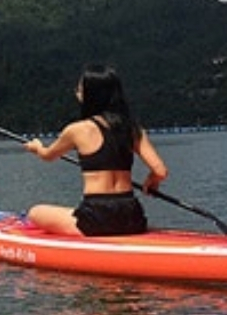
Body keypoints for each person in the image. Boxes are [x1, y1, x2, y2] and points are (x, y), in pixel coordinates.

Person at [23, 64, 169, 236]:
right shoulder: (133, 129)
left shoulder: (78, 130)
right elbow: (160, 171)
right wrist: (152, 181)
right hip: (132, 216)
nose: (76, 92)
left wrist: (36, 147)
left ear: (90, 95)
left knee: (35, 212)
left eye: (79, 88)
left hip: (98, 217)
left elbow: (47, 156)